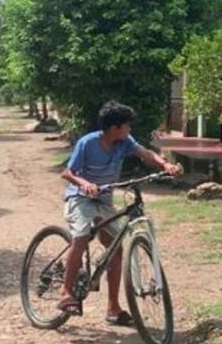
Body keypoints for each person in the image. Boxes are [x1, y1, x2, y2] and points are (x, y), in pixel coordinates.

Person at [59, 101, 182, 325]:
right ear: (115, 128)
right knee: (81, 237)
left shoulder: (124, 142)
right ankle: (66, 292)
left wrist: (165, 165)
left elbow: (145, 153)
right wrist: (85, 184)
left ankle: (113, 308)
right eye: (127, 126)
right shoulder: (88, 143)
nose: (130, 129)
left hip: (104, 200)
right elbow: (67, 172)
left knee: (116, 249)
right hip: (81, 198)